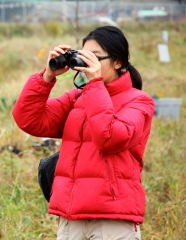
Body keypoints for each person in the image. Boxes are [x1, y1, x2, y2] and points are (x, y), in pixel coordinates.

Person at [12, 26, 155, 239]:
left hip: (112, 219)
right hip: (72, 218)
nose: (88, 64)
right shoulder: (76, 98)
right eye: (84, 56)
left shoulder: (139, 101)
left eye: (95, 58)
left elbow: (111, 138)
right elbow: (30, 120)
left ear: (118, 62)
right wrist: (47, 77)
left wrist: (95, 85)